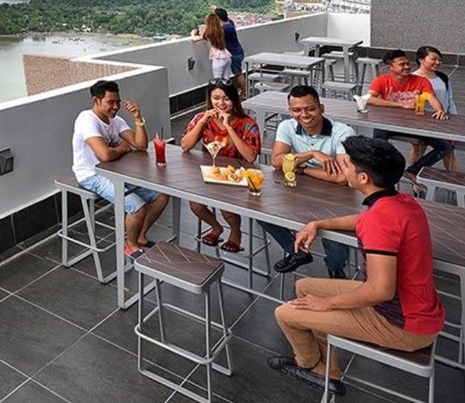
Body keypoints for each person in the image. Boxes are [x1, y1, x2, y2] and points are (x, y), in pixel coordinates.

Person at [268, 137, 445, 397]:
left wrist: (328, 303)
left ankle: (309, 365)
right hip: (415, 305)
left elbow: (380, 290)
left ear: (363, 178)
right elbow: (364, 220)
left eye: (347, 165)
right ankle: (329, 371)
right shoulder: (399, 201)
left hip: (401, 324)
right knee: (304, 286)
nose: (343, 167)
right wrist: (318, 224)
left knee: (285, 314)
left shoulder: (380, 220)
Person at [261, 85, 356, 279]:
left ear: (322, 108)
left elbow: (342, 178)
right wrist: (312, 154)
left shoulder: (343, 132)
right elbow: (277, 162)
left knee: (334, 244)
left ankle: (335, 269)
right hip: (296, 193)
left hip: (336, 199)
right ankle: (297, 252)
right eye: (297, 110)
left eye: (310, 108)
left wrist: (300, 167)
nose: (304, 114)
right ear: (290, 111)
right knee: (261, 211)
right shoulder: (287, 126)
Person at [72, 79, 170, 258]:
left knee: (161, 195)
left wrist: (138, 118)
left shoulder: (115, 120)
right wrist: (123, 148)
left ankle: (140, 236)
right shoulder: (86, 120)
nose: (115, 106)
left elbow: (140, 145)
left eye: (117, 102)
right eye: (110, 102)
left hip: (116, 172)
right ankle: (130, 245)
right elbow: (105, 155)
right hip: (91, 174)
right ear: (96, 100)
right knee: (136, 206)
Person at [181, 80, 260, 252]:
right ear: (210, 99)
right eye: (216, 98)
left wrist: (228, 127)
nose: (221, 103)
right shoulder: (202, 119)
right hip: (209, 172)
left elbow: (250, 156)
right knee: (196, 205)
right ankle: (216, 227)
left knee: (226, 208)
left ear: (234, 100)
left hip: (237, 174)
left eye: (226, 99)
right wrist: (202, 121)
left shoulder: (248, 124)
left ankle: (235, 231)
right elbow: (185, 146)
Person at [367, 49, 449, 178]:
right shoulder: (381, 80)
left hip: (414, 124)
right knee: (378, 145)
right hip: (387, 123)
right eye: (402, 64)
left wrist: (439, 109)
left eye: (407, 63)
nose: (407, 67)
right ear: (390, 67)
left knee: (444, 147)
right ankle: (382, 174)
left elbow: (431, 98)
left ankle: (411, 171)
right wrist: (402, 105)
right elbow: (369, 99)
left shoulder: (421, 81)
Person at [409, 45, 459, 172]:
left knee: (449, 153)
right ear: (421, 59)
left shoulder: (442, 78)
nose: (438, 62)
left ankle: (456, 183)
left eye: (440, 60)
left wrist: (455, 119)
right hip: (420, 123)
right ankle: (416, 183)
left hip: (442, 120)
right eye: (434, 59)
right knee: (418, 150)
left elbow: (449, 99)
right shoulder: (412, 78)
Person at [215, 7, 248, 98]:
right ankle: (244, 91)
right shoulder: (230, 24)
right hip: (238, 51)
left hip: (234, 53)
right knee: (237, 72)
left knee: (237, 73)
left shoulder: (224, 29)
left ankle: (245, 92)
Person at [192, 13, 233, 82]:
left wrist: (192, 33)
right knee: (226, 81)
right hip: (226, 56)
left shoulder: (209, 33)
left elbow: (195, 39)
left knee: (217, 81)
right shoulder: (221, 31)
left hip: (218, 58)